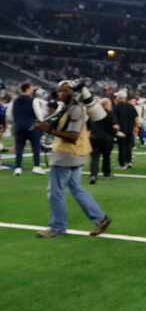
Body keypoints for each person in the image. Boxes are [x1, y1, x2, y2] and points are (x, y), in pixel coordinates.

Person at [33, 81, 111, 238]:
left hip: (66, 155)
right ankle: (100, 218)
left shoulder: (75, 109)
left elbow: (72, 136)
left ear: (72, 92)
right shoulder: (71, 107)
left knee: (55, 193)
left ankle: (57, 227)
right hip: (77, 154)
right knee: (76, 189)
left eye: (64, 90)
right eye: (60, 90)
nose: (60, 93)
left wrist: (47, 129)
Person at [12, 83, 45, 176]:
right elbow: (39, 115)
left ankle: (18, 168)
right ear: (27, 89)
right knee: (36, 147)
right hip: (32, 126)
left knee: (19, 148)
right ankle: (36, 167)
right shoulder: (34, 100)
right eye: (31, 88)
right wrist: (41, 122)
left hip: (19, 126)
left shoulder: (15, 100)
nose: (32, 90)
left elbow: (10, 115)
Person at [88, 98, 117, 184]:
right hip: (106, 139)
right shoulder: (110, 114)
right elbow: (115, 126)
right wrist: (115, 132)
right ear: (107, 105)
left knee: (94, 157)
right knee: (106, 157)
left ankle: (93, 175)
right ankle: (106, 174)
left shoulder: (92, 113)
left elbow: (88, 126)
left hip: (94, 138)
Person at [113, 90, 138, 169]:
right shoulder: (131, 106)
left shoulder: (116, 107)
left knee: (122, 147)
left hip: (121, 130)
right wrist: (136, 128)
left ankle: (122, 164)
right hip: (130, 129)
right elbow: (136, 118)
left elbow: (114, 120)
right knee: (129, 146)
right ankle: (129, 162)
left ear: (120, 98)